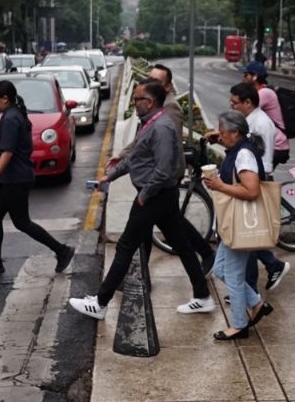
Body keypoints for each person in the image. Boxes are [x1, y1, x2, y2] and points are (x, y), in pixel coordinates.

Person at [68, 81, 213, 319]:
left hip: (155, 196)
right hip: (158, 196)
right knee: (182, 245)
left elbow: (165, 169)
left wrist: (144, 195)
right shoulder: (149, 124)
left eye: (137, 99)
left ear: (150, 102)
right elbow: (134, 158)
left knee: (125, 245)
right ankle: (202, 296)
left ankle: (101, 303)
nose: (134, 103)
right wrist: (110, 176)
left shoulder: (162, 127)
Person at [0, 80, 75, 276]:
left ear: (6, 99)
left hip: (14, 180)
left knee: (22, 222)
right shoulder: (12, 113)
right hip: (9, 179)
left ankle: (62, 250)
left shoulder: (11, 119)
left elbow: (8, 152)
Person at [201, 110, 271, 340]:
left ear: (236, 132)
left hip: (241, 224)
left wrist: (219, 186)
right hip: (232, 223)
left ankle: (239, 325)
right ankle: (257, 303)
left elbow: (251, 190)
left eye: (223, 133)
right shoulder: (237, 148)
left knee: (231, 273)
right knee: (220, 269)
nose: (220, 137)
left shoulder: (244, 155)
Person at [148, 65, 215, 274]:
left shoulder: (170, 107)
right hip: (154, 175)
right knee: (172, 223)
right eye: (149, 78)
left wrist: (158, 175)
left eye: (157, 81)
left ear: (167, 87)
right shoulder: (153, 104)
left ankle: (140, 277)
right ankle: (204, 258)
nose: (150, 83)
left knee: (146, 226)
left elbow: (169, 144)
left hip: (164, 176)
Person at [239, 63, 291, 291]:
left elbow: (258, 153)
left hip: (273, 149)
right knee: (248, 236)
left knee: (248, 235)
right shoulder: (254, 113)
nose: (243, 76)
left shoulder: (264, 95)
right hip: (263, 157)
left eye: (247, 74)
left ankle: (251, 285)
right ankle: (269, 268)